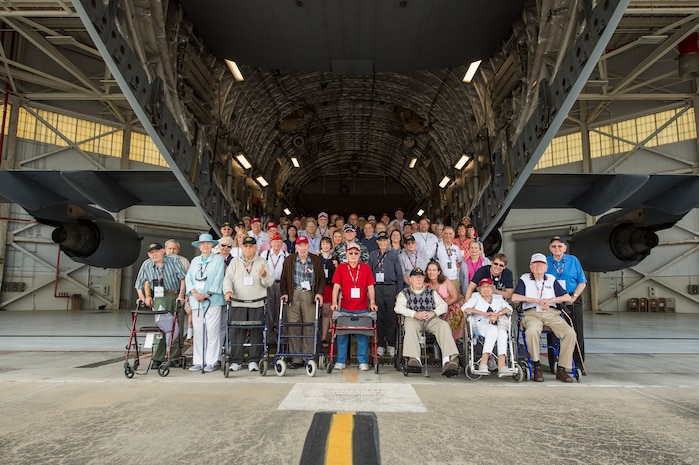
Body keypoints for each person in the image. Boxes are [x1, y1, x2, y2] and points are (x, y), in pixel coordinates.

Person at [511, 253, 575, 383]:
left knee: (570, 333)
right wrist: (533, 300)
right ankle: (537, 365)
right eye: (535, 264)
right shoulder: (525, 279)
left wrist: (552, 299)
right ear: (531, 267)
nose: (538, 266)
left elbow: (567, 298)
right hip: (532, 314)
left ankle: (562, 369)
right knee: (532, 331)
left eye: (541, 264)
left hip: (551, 313)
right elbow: (514, 298)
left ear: (546, 267)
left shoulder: (551, 279)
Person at [393, 267, 461, 377]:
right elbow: (398, 308)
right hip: (414, 319)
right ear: (411, 279)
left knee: (443, 325)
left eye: (421, 277)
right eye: (416, 277)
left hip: (431, 319)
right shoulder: (404, 293)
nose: (419, 280)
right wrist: (414, 314)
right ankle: (414, 359)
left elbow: (443, 305)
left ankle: (448, 360)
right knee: (409, 325)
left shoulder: (431, 292)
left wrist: (433, 313)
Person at [223, 237, 274, 372]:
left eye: (251, 246)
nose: (248, 248)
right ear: (242, 247)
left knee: (256, 332)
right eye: (245, 246)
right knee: (237, 331)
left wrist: (264, 275)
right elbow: (227, 278)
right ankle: (236, 361)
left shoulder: (262, 261)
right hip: (238, 302)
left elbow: (269, 282)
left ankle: (254, 360)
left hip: (256, 301)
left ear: (255, 248)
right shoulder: (235, 262)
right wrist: (228, 291)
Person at [134, 242, 186, 369]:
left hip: (174, 294)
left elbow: (183, 279)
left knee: (176, 326)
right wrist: (143, 297)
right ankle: (157, 357)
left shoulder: (173, 260)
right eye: (151, 253)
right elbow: (139, 283)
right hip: (159, 297)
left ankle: (174, 357)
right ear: (148, 254)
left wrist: (181, 295)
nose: (154, 254)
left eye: (157, 251)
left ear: (163, 251)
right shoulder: (147, 264)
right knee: (160, 327)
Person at [280, 236, 325, 368]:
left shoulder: (316, 260)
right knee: (293, 325)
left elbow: (322, 278)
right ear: (296, 247)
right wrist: (284, 293)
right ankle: (296, 359)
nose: (303, 248)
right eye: (300, 245)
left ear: (308, 247)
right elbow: (283, 279)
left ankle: (308, 356)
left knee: (309, 325)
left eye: (305, 245)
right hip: (294, 292)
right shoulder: (289, 260)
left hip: (309, 293)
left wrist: (319, 293)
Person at [331, 242, 377, 370]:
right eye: (350, 253)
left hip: (362, 307)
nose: (353, 255)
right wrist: (334, 302)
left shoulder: (365, 267)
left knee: (362, 335)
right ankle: (340, 361)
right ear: (346, 254)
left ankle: (363, 361)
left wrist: (372, 302)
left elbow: (370, 287)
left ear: (359, 254)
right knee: (342, 335)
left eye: (356, 253)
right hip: (345, 306)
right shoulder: (341, 267)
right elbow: (336, 287)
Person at [185, 234, 226, 372]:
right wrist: (194, 293)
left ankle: (212, 361)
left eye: (208, 243)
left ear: (212, 245)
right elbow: (189, 278)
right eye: (202, 244)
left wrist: (209, 293)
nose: (205, 246)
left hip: (212, 300)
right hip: (196, 301)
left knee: (212, 331)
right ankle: (198, 360)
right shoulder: (195, 260)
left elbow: (219, 277)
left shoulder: (218, 259)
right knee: (198, 331)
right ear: (199, 246)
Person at [547, 235, 587, 371]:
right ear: (550, 248)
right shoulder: (545, 262)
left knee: (576, 330)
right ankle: (553, 363)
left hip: (571, 297)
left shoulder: (573, 260)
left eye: (560, 246)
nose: (557, 248)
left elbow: (582, 282)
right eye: (554, 246)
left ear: (565, 247)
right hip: (552, 298)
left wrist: (574, 296)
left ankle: (579, 363)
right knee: (552, 330)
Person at [461, 278, 516, 377]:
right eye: (483, 287)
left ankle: (502, 365)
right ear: (479, 289)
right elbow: (465, 308)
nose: (486, 289)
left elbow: (509, 308)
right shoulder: (475, 297)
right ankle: (483, 363)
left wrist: (497, 314)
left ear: (492, 289)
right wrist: (485, 313)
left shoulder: (498, 298)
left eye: (488, 287)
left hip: (495, 322)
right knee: (492, 330)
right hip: (479, 324)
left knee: (502, 333)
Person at [368, 231, 402, 356]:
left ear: (388, 242)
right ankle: (381, 343)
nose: (382, 243)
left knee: (391, 316)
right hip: (377, 288)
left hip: (390, 287)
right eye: (380, 240)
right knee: (379, 315)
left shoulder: (393, 255)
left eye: (385, 240)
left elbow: (399, 274)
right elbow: (369, 274)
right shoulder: (373, 255)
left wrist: (398, 291)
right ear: (377, 242)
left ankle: (392, 344)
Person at [425, 261, 463, 340]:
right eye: (429, 270)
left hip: (449, 304)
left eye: (434, 270)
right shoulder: (425, 283)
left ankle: (448, 339)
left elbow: (454, 297)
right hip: (433, 308)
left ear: (439, 272)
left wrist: (442, 305)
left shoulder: (445, 281)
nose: (431, 272)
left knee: (453, 313)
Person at [164, 239, 193, 344]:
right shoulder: (160, 260)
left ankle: (181, 342)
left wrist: (188, 293)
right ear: (165, 249)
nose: (172, 251)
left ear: (178, 250)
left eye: (174, 248)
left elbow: (189, 278)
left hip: (182, 295)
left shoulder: (184, 261)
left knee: (185, 314)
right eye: (170, 248)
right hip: (165, 295)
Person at [262, 232, 288, 344]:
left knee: (281, 310)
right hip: (268, 284)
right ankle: (267, 337)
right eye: (275, 241)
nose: (277, 244)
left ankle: (281, 338)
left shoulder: (286, 255)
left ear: (282, 243)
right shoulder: (265, 254)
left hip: (281, 283)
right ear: (270, 243)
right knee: (268, 310)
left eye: (279, 242)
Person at [318, 236, 336, 348]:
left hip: (329, 287)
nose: (325, 246)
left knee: (326, 313)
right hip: (317, 288)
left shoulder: (334, 259)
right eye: (323, 243)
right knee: (315, 313)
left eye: (327, 243)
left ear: (331, 245)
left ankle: (324, 337)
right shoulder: (316, 258)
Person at [435, 226, 463, 292]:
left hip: (454, 278)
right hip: (440, 279)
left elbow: (460, 261)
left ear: (453, 235)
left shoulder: (456, 248)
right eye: (446, 233)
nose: (448, 236)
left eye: (450, 234)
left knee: (456, 299)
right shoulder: (437, 246)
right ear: (442, 234)